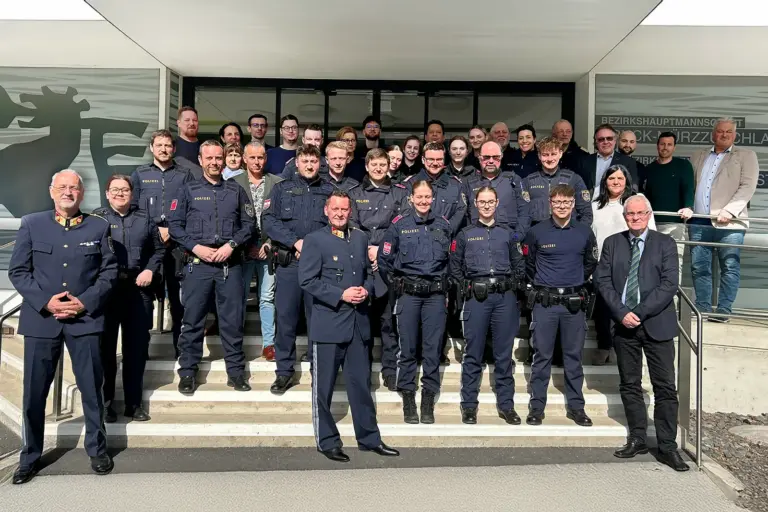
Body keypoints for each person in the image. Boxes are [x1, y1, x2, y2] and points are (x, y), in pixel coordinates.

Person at [9, 169, 118, 484]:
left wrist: (85, 302)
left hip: (85, 320)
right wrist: (46, 302)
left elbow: (109, 272)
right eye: (62, 187)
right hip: (42, 321)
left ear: (82, 194)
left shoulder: (98, 226)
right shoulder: (32, 224)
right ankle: (29, 456)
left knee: (92, 390)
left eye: (74, 188)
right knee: (34, 393)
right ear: (51, 191)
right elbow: (18, 271)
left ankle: (97, 450)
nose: (68, 192)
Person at [299, 190, 400, 462]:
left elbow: (368, 274)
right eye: (335, 209)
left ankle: (369, 439)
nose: (340, 214)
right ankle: (327, 441)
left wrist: (367, 290)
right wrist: (340, 294)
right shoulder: (314, 240)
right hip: (329, 325)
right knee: (323, 390)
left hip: (357, 324)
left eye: (344, 209)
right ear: (326, 210)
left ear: (350, 211)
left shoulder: (359, 238)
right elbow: (307, 280)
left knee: (361, 387)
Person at [594, 195, 689, 472]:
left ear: (648, 215)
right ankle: (637, 438)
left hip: (657, 324)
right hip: (624, 325)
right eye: (630, 214)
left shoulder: (665, 243)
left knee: (665, 387)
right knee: (629, 384)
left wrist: (639, 312)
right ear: (625, 216)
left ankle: (667, 446)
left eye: (640, 213)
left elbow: (669, 284)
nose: (635, 218)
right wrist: (622, 312)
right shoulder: (613, 243)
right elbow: (602, 280)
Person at [169, 140, 255, 396]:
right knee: (193, 321)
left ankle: (236, 372)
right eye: (210, 158)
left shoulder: (236, 190)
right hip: (198, 265)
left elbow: (248, 224)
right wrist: (196, 247)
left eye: (219, 158)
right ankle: (187, 372)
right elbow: (175, 226)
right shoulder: (188, 190)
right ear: (200, 160)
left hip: (229, 264)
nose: (215, 162)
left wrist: (231, 245)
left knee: (232, 321)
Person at [378, 179, 452, 424]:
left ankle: (428, 397)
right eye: (419, 197)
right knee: (407, 348)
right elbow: (385, 258)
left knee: (432, 349)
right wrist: (396, 284)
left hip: (435, 296)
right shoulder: (399, 225)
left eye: (427, 197)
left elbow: (451, 261)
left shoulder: (443, 225)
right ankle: (408, 395)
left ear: (433, 198)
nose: (423, 201)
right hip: (408, 294)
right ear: (410, 198)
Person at [523, 184, 597, 427]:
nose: (562, 206)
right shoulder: (537, 231)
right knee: (541, 356)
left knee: (573, 357)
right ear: (550, 203)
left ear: (573, 204)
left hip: (573, 305)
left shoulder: (584, 232)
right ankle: (536, 407)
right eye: (557, 202)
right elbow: (529, 265)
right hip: (545, 303)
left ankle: (577, 408)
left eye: (566, 202)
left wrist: (573, 280)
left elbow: (590, 262)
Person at [263, 144, 335, 391]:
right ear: (297, 163)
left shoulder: (329, 191)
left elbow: (336, 224)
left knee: (318, 320)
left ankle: (318, 371)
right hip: (289, 264)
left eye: (313, 161)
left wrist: (312, 246)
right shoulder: (281, 189)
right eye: (305, 160)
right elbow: (268, 220)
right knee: (285, 319)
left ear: (320, 164)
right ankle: (284, 371)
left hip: (319, 268)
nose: (309, 165)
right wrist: (295, 242)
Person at [450, 186, 524, 425]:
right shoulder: (465, 234)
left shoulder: (508, 233)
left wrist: (512, 287)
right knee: (473, 353)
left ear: (497, 203)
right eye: (482, 202)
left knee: (504, 354)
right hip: (477, 298)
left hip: (504, 298)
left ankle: (507, 405)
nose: (486, 205)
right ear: (475, 203)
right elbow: (455, 267)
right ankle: (469, 406)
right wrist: (467, 287)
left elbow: (519, 265)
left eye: (490, 201)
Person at [94, 175, 164, 423]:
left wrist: (150, 270)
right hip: (108, 292)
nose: (120, 193)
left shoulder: (145, 218)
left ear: (132, 194)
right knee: (105, 350)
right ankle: (105, 404)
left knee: (136, 350)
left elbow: (159, 250)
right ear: (107, 194)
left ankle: (133, 404)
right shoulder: (97, 219)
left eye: (124, 189)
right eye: (115, 189)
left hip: (138, 289)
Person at [680, 117, 759, 322]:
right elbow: (689, 185)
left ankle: (723, 311)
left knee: (729, 266)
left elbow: (747, 187)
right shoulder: (698, 155)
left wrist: (730, 211)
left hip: (730, 223)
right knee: (699, 267)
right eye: (720, 131)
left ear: (735, 135)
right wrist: (688, 207)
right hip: (699, 221)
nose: (724, 135)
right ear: (713, 134)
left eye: (728, 132)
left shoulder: (746, 156)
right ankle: (703, 308)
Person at [349, 148, 408, 391]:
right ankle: (362, 370)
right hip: (361, 264)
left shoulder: (400, 193)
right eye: (374, 164)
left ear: (389, 165)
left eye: (382, 164)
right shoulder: (354, 193)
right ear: (367, 166)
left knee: (387, 321)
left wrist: (380, 249)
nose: (378, 168)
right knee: (361, 320)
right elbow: (351, 224)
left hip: (388, 264)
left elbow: (401, 225)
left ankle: (390, 370)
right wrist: (368, 249)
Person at [130, 129, 193, 356]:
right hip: (149, 243)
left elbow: (191, 208)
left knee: (178, 299)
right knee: (145, 296)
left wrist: (172, 230)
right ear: (151, 148)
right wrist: (154, 230)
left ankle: (181, 350)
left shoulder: (185, 175)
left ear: (174, 149)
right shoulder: (140, 174)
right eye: (159, 145)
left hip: (176, 244)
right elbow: (133, 208)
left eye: (167, 145)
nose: (164, 149)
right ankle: (141, 350)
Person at [590, 164, 655, 365]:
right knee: (603, 309)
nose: (616, 182)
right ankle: (604, 346)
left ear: (627, 181)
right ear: (605, 181)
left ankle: (621, 349)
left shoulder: (635, 203)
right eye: (611, 178)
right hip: (601, 264)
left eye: (620, 178)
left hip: (629, 264)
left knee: (624, 307)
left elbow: (650, 232)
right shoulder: (595, 206)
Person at [230, 141, 282, 361]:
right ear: (244, 158)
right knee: (239, 297)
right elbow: (230, 219)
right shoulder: (233, 183)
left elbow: (281, 218)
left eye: (260, 157)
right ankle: (235, 343)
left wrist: (270, 242)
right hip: (242, 249)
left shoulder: (277, 183)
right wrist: (245, 244)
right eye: (252, 157)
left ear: (265, 159)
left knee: (267, 297)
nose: (257, 161)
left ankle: (269, 344)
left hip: (268, 249)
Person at [642, 132, 694, 283]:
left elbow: (688, 188)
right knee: (652, 264)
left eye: (669, 144)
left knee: (674, 264)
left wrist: (688, 207)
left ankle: (673, 297)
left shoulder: (683, 166)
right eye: (662, 144)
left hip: (675, 224)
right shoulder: (650, 168)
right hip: (652, 225)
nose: (665, 147)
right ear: (657, 146)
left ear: (674, 147)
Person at [463, 141, 528, 240]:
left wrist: (517, 237)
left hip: (507, 239)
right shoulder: (469, 183)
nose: (491, 161)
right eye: (486, 157)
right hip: (477, 239)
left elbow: (525, 212)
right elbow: (464, 215)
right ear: (479, 158)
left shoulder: (513, 180)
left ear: (501, 157)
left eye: (495, 157)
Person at [521, 136, 592, 227]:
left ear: (560, 154)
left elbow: (586, 213)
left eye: (553, 154)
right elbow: (522, 215)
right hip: (537, 230)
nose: (550, 159)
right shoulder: (528, 181)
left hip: (567, 230)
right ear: (539, 156)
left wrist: (577, 232)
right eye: (545, 155)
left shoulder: (574, 179)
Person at [404, 142, 467, 236]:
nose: (435, 163)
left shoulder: (456, 185)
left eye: (439, 159)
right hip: (417, 237)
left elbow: (460, 211)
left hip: (446, 237)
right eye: (431, 159)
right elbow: (406, 212)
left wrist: (445, 231)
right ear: (423, 160)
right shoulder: (410, 184)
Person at [581, 123, 639, 195]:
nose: (605, 142)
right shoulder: (584, 161)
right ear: (596, 142)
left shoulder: (628, 162)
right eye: (601, 139)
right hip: (590, 201)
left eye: (609, 138)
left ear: (615, 141)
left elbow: (632, 188)